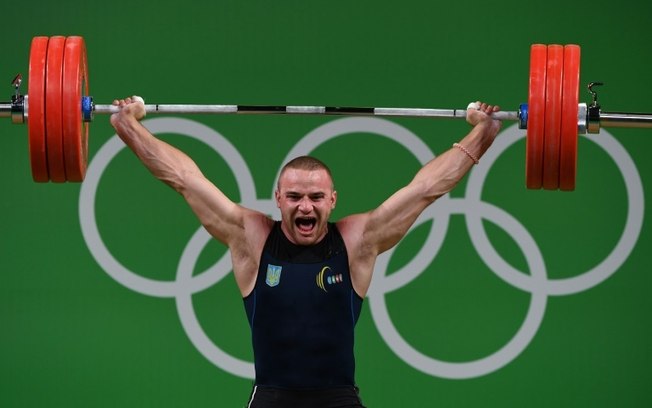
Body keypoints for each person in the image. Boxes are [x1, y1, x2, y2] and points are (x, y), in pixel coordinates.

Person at [109, 97, 502, 408]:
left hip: (339, 400)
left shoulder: (356, 241)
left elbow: (425, 189)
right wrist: (129, 127)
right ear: (277, 199)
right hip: (271, 399)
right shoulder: (252, 239)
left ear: (332, 200)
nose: (305, 207)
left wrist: (482, 134)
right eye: (294, 197)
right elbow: (184, 180)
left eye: (316, 197)